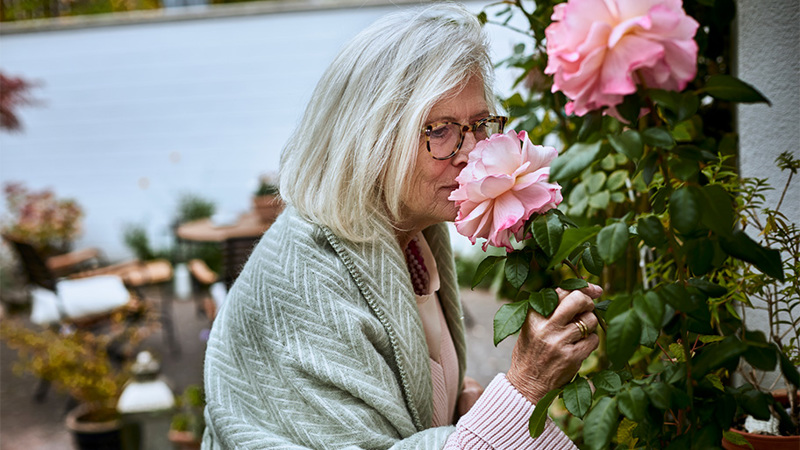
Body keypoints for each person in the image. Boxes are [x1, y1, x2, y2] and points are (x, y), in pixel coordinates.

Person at [202, 4, 601, 449]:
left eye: (480, 125)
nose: (471, 152)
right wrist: (525, 385)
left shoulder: (411, 237)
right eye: (442, 129)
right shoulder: (304, 280)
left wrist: (463, 404)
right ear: (370, 138)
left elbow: (404, 398)